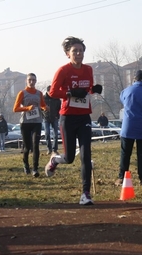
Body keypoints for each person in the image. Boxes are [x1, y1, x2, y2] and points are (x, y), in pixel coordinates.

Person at [44, 36, 103, 205]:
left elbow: (88, 88)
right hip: (67, 117)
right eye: (75, 51)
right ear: (67, 54)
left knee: (86, 155)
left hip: (84, 116)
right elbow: (52, 93)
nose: (78, 54)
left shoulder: (88, 69)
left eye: (81, 51)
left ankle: (86, 194)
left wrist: (94, 89)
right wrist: (70, 93)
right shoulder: (63, 71)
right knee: (69, 158)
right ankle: (55, 160)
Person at [13, 73, 47, 177]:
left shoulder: (39, 93)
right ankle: (26, 165)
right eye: (30, 80)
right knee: (27, 147)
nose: (31, 82)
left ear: (36, 81)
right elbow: (15, 109)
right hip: (25, 123)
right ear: (26, 81)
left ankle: (35, 169)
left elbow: (42, 105)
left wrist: (45, 108)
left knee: (36, 145)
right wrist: (27, 108)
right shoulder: (22, 93)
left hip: (37, 122)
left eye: (33, 80)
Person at [43, 85, 61, 155]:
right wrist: (43, 115)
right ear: (47, 91)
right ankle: (49, 149)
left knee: (56, 134)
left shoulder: (57, 99)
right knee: (47, 133)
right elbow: (40, 108)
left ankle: (55, 149)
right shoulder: (43, 98)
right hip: (46, 118)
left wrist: (57, 116)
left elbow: (59, 108)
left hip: (54, 118)